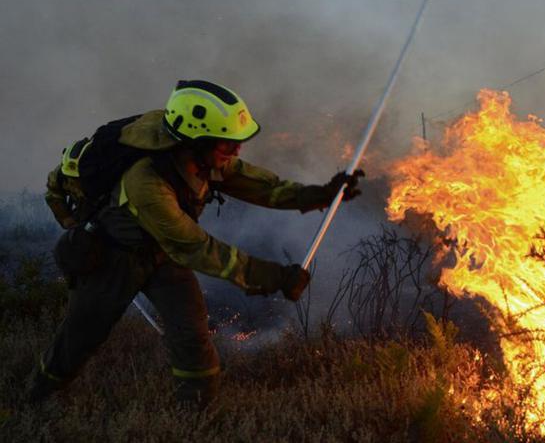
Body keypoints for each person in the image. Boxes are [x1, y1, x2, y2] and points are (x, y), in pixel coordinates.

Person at [30, 80, 363, 406]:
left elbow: (262, 186)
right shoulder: (146, 180)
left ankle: (196, 410)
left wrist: (319, 194)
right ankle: (40, 397)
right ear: (195, 141)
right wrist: (272, 277)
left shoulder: (202, 155)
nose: (236, 150)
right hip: (114, 258)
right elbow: (194, 247)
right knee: (82, 335)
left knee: (192, 334)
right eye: (226, 144)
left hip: (163, 256)